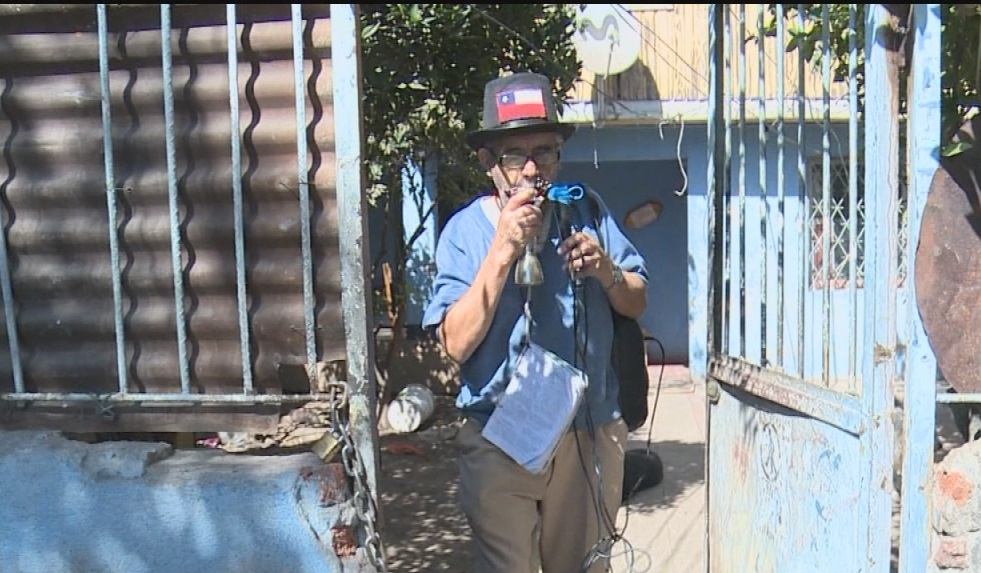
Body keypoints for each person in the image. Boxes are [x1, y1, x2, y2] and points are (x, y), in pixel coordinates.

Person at [422, 71, 649, 573]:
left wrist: (606, 271)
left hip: (586, 429)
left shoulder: (585, 210)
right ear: (488, 163)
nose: (531, 169)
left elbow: (636, 301)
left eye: (544, 152)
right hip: (499, 433)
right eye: (513, 156)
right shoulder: (464, 232)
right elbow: (454, 344)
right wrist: (503, 249)